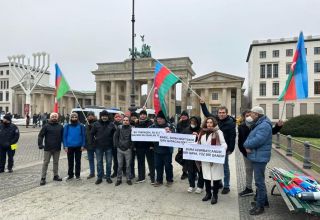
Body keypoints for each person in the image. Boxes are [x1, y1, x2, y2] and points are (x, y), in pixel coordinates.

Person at [200, 100, 236, 194]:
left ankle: (226, 186)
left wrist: (230, 149)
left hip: (224, 149)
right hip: (214, 148)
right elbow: (207, 114)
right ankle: (218, 183)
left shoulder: (231, 123)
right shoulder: (216, 119)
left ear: (226, 113)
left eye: (223, 113)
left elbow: (232, 137)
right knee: (216, 167)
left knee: (225, 167)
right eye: (220, 112)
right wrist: (203, 104)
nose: (221, 114)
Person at [244, 106, 272, 215]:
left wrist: (246, 144)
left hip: (260, 157)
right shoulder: (260, 123)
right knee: (260, 181)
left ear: (257, 114)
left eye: (251, 114)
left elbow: (258, 139)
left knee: (259, 182)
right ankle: (264, 201)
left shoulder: (264, 125)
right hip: (258, 156)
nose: (250, 116)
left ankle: (260, 206)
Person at [199, 117, 227, 205]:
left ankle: (215, 195)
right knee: (206, 177)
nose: (209, 124)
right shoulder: (202, 132)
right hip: (205, 159)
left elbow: (223, 143)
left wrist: (221, 150)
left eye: (211, 122)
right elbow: (198, 143)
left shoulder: (218, 132)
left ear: (214, 123)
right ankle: (208, 194)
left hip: (215, 159)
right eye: (207, 122)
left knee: (215, 178)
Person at [38, 112, 64, 185]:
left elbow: (63, 137)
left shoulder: (60, 126)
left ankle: (55, 175)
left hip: (57, 148)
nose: (54, 118)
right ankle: (43, 178)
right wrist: (40, 144)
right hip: (48, 148)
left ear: (57, 118)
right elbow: (40, 136)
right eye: (53, 116)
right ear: (50, 117)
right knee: (45, 163)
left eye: (55, 116)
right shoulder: (46, 126)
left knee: (56, 162)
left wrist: (65, 145)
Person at [150, 110, 175, 187]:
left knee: (168, 166)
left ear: (164, 119)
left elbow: (175, 135)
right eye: (158, 119)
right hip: (157, 150)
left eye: (160, 119)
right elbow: (146, 132)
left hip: (167, 151)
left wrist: (170, 132)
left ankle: (169, 180)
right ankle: (159, 180)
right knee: (158, 166)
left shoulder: (170, 126)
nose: (159, 120)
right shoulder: (153, 126)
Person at [91, 110, 116, 184]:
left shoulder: (111, 124)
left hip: (109, 146)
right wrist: (94, 143)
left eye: (106, 116)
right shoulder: (96, 124)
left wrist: (113, 144)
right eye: (103, 116)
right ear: (101, 116)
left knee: (109, 163)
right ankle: (99, 177)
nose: (104, 117)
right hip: (99, 146)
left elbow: (115, 135)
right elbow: (92, 134)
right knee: (99, 162)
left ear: (108, 116)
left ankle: (108, 177)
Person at [182, 116, 204, 193]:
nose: (193, 123)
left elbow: (205, 143)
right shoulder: (186, 130)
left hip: (199, 155)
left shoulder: (202, 131)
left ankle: (200, 186)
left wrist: (198, 137)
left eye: (194, 122)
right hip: (189, 154)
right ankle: (191, 185)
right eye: (191, 121)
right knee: (190, 170)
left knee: (200, 170)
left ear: (198, 123)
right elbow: (181, 140)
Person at [63, 112, 86, 180]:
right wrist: (65, 146)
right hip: (69, 146)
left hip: (78, 146)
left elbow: (83, 136)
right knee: (70, 161)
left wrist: (83, 145)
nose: (74, 118)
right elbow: (64, 136)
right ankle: (70, 175)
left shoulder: (81, 125)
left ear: (77, 118)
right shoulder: (67, 126)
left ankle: (77, 175)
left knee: (78, 161)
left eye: (75, 117)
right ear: (70, 118)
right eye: (73, 117)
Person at [134, 110, 155, 184]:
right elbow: (134, 134)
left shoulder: (150, 123)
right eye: (141, 114)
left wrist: (152, 145)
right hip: (139, 146)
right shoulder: (136, 123)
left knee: (151, 163)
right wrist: (135, 145)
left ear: (146, 115)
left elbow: (153, 134)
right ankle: (141, 177)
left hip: (149, 146)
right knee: (140, 163)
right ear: (139, 115)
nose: (142, 116)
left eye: (144, 114)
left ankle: (153, 178)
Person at [113, 116, 133, 186]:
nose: (125, 121)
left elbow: (133, 138)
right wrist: (117, 146)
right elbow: (115, 136)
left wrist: (130, 147)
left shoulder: (132, 128)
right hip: (120, 149)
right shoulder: (119, 127)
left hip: (128, 149)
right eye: (124, 120)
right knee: (120, 165)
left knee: (128, 165)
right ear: (122, 121)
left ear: (129, 121)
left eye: (127, 120)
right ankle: (119, 179)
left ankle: (128, 179)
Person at [176, 110, 190, 180]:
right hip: (181, 144)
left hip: (189, 144)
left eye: (185, 115)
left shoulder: (190, 123)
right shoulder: (179, 124)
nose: (183, 116)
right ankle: (186, 171)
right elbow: (177, 133)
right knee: (179, 158)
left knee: (189, 159)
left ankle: (187, 173)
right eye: (182, 115)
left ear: (187, 116)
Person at [111, 113, 123, 178]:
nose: (118, 118)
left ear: (121, 118)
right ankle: (115, 172)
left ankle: (123, 171)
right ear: (114, 118)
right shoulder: (111, 125)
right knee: (115, 160)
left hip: (122, 145)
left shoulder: (123, 124)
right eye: (116, 117)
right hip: (114, 145)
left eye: (119, 117)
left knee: (122, 160)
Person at [85, 112, 97, 179]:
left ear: (94, 116)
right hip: (89, 145)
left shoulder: (97, 123)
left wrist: (92, 127)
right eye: (88, 115)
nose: (90, 117)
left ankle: (101, 173)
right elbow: (86, 134)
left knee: (99, 160)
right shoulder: (86, 124)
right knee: (90, 160)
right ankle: (92, 173)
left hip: (96, 144)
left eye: (91, 115)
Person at [129, 112, 139, 179]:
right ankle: (132, 173)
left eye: (135, 116)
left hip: (138, 145)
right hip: (131, 145)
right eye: (132, 116)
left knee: (140, 160)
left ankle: (140, 174)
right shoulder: (128, 123)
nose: (134, 117)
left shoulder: (139, 123)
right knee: (131, 161)